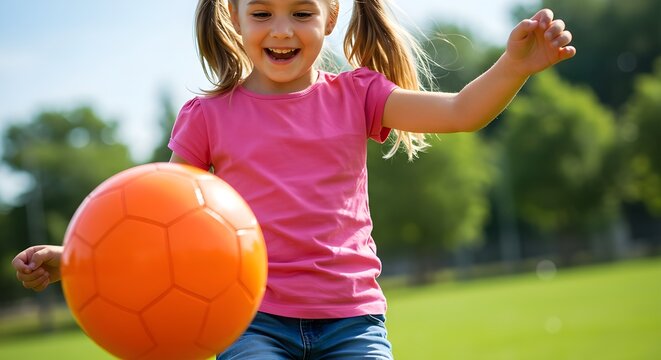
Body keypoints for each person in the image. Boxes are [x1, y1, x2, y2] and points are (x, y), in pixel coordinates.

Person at [13, 0, 575, 358]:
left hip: (352, 321)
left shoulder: (358, 95)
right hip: (250, 322)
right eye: (261, 12)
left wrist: (514, 67)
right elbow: (159, 227)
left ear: (331, 17)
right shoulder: (207, 117)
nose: (282, 29)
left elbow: (459, 112)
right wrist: (73, 257)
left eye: (301, 12)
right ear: (232, 16)